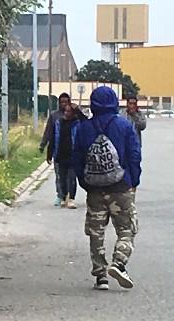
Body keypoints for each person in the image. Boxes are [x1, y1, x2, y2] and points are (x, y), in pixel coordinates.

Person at [72, 86, 141, 291]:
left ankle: (100, 275)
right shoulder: (124, 125)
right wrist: (133, 181)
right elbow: (134, 155)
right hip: (120, 188)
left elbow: (77, 158)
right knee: (127, 229)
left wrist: (85, 183)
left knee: (96, 231)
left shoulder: (84, 128)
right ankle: (119, 263)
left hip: (94, 188)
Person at [47, 103, 86, 209]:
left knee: (72, 178)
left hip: (73, 154)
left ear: (73, 113)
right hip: (61, 153)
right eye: (65, 111)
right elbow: (53, 138)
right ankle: (64, 196)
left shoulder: (78, 124)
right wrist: (49, 154)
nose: (66, 113)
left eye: (69, 111)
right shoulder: (59, 123)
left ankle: (71, 199)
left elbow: (86, 122)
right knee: (62, 178)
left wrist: (78, 110)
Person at [40, 93, 72, 206]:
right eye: (61, 102)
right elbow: (49, 132)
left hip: (71, 152)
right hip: (58, 151)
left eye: (66, 102)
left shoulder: (74, 116)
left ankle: (70, 196)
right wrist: (43, 145)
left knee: (70, 176)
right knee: (59, 175)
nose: (63, 104)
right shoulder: (54, 116)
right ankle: (60, 195)